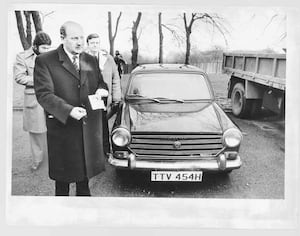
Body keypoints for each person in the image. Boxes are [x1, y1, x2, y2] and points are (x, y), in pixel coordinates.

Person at [34, 21, 109, 196]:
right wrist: (68, 110)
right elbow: (44, 94)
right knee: (63, 184)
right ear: (62, 38)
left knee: (84, 182)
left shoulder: (89, 58)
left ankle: (84, 215)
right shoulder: (45, 60)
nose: (80, 42)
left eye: (82, 38)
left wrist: (101, 89)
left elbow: (100, 82)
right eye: (74, 38)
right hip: (63, 131)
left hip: (87, 131)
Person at [13, 31, 52, 171]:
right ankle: (37, 160)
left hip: (51, 98)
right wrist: (39, 80)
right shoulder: (22, 57)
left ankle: (52, 158)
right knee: (36, 132)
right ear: (35, 46)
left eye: (49, 48)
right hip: (34, 100)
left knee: (53, 128)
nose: (47, 51)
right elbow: (19, 77)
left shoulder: (51, 57)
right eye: (44, 48)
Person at [85, 33, 122, 154]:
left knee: (103, 124)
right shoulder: (83, 58)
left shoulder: (108, 58)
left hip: (105, 96)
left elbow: (115, 78)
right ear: (88, 44)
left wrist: (116, 97)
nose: (95, 45)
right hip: (89, 97)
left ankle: (106, 149)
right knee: (90, 124)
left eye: (97, 43)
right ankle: (91, 151)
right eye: (92, 43)